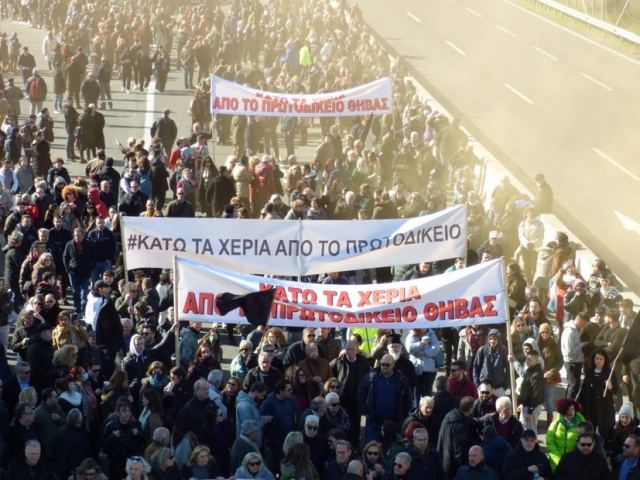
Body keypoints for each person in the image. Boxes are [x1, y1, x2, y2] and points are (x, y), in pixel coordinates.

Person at [358, 353, 412, 442]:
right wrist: (364, 412)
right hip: (373, 422)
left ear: (393, 365)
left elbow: (408, 399)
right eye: (382, 364)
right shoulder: (371, 377)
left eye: (387, 365)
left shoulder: (401, 379)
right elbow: (361, 395)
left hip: (393, 423)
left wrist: (403, 417)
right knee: (372, 448)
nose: (384, 367)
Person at [578, 349, 617, 435]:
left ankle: (603, 446)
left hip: (604, 406)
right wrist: (578, 402)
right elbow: (584, 388)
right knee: (589, 428)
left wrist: (610, 386)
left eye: (601, 359)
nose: (598, 361)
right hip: (589, 405)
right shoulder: (589, 371)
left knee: (604, 429)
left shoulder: (609, 373)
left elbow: (616, 390)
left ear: (605, 360)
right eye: (597, 358)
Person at [438, 396, 477, 480]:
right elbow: (459, 453)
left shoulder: (450, 416)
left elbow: (470, 420)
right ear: (470, 409)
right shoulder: (459, 427)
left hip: (444, 460)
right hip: (454, 468)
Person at [546, 398, 585, 470]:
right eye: (568, 409)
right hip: (556, 465)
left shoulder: (581, 425)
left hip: (573, 465)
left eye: (572, 409)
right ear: (563, 410)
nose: (570, 412)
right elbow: (550, 443)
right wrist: (559, 460)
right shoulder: (555, 423)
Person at [473, 329, 509, 395]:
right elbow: (476, 368)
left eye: (495, 339)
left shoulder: (503, 350)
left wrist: (505, 386)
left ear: (499, 339)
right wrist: (478, 385)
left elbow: (508, 368)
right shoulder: (482, 350)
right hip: (484, 387)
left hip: (499, 387)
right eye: (491, 339)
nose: (493, 341)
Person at [517, 350, 545, 433]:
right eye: (527, 359)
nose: (527, 361)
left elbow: (537, 393)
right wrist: (522, 404)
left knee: (530, 431)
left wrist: (530, 411)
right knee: (525, 429)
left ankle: (534, 446)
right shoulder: (530, 370)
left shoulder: (536, 374)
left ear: (536, 360)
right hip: (527, 405)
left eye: (530, 359)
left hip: (532, 407)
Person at [562, 313, 587, 399]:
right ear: (580, 320)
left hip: (575, 361)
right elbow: (570, 352)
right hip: (572, 362)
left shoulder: (575, 330)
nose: (583, 326)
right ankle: (568, 407)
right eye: (583, 323)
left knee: (572, 385)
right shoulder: (570, 332)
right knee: (573, 386)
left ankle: (566, 406)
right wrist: (582, 344)